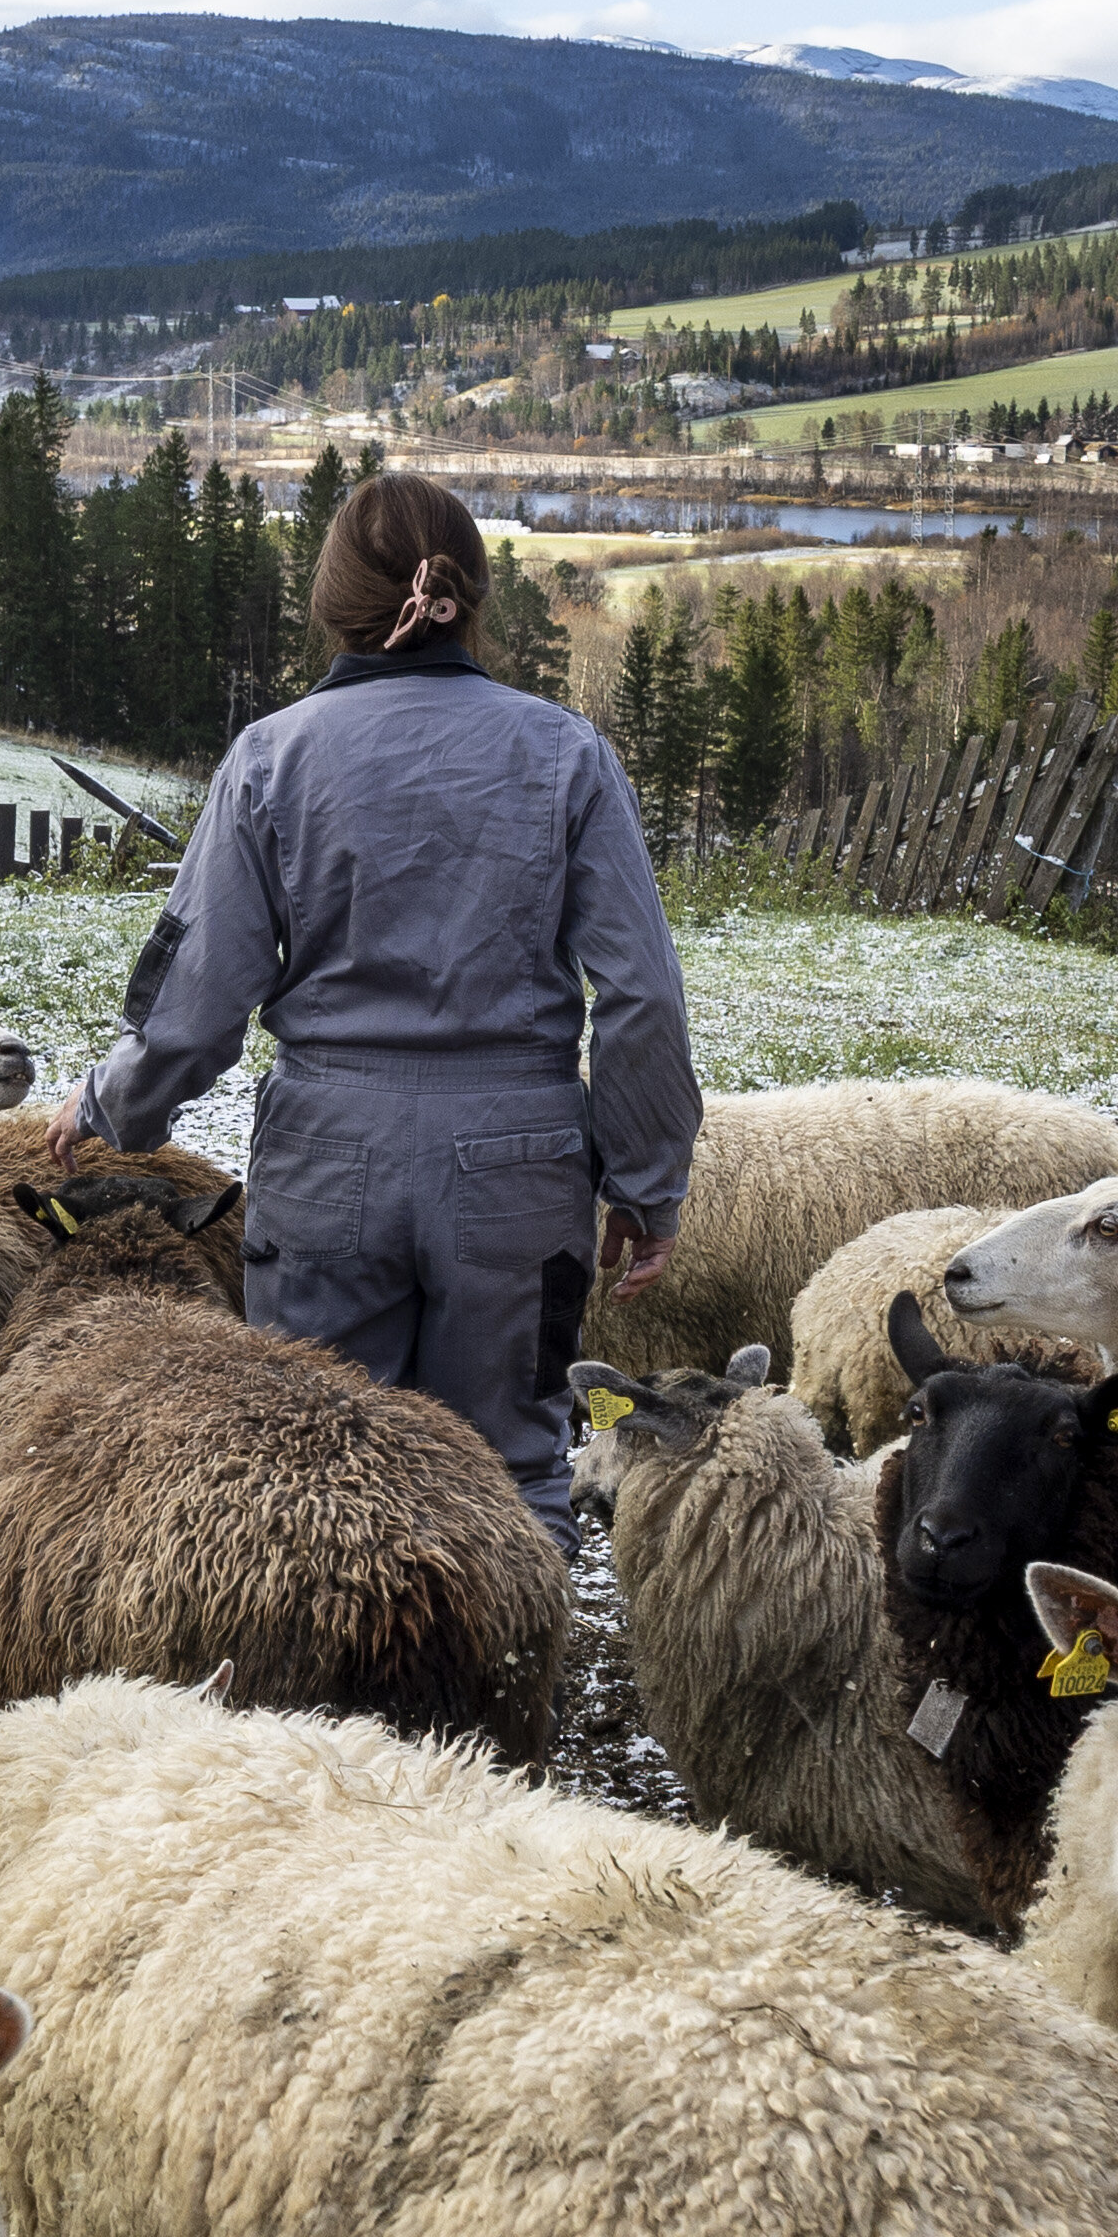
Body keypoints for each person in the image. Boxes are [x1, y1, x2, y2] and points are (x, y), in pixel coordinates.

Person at [60, 472, 698, 1539]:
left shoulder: (271, 756)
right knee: (513, 1480)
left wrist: (111, 1106)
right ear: (471, 596)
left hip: (328, 1168)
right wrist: (646, 1179)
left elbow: (198, 994)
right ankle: (507, 1652)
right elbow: (641, 994)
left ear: (332, 598)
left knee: (311, 1480)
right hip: (520, 1177)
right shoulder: (567, 755)